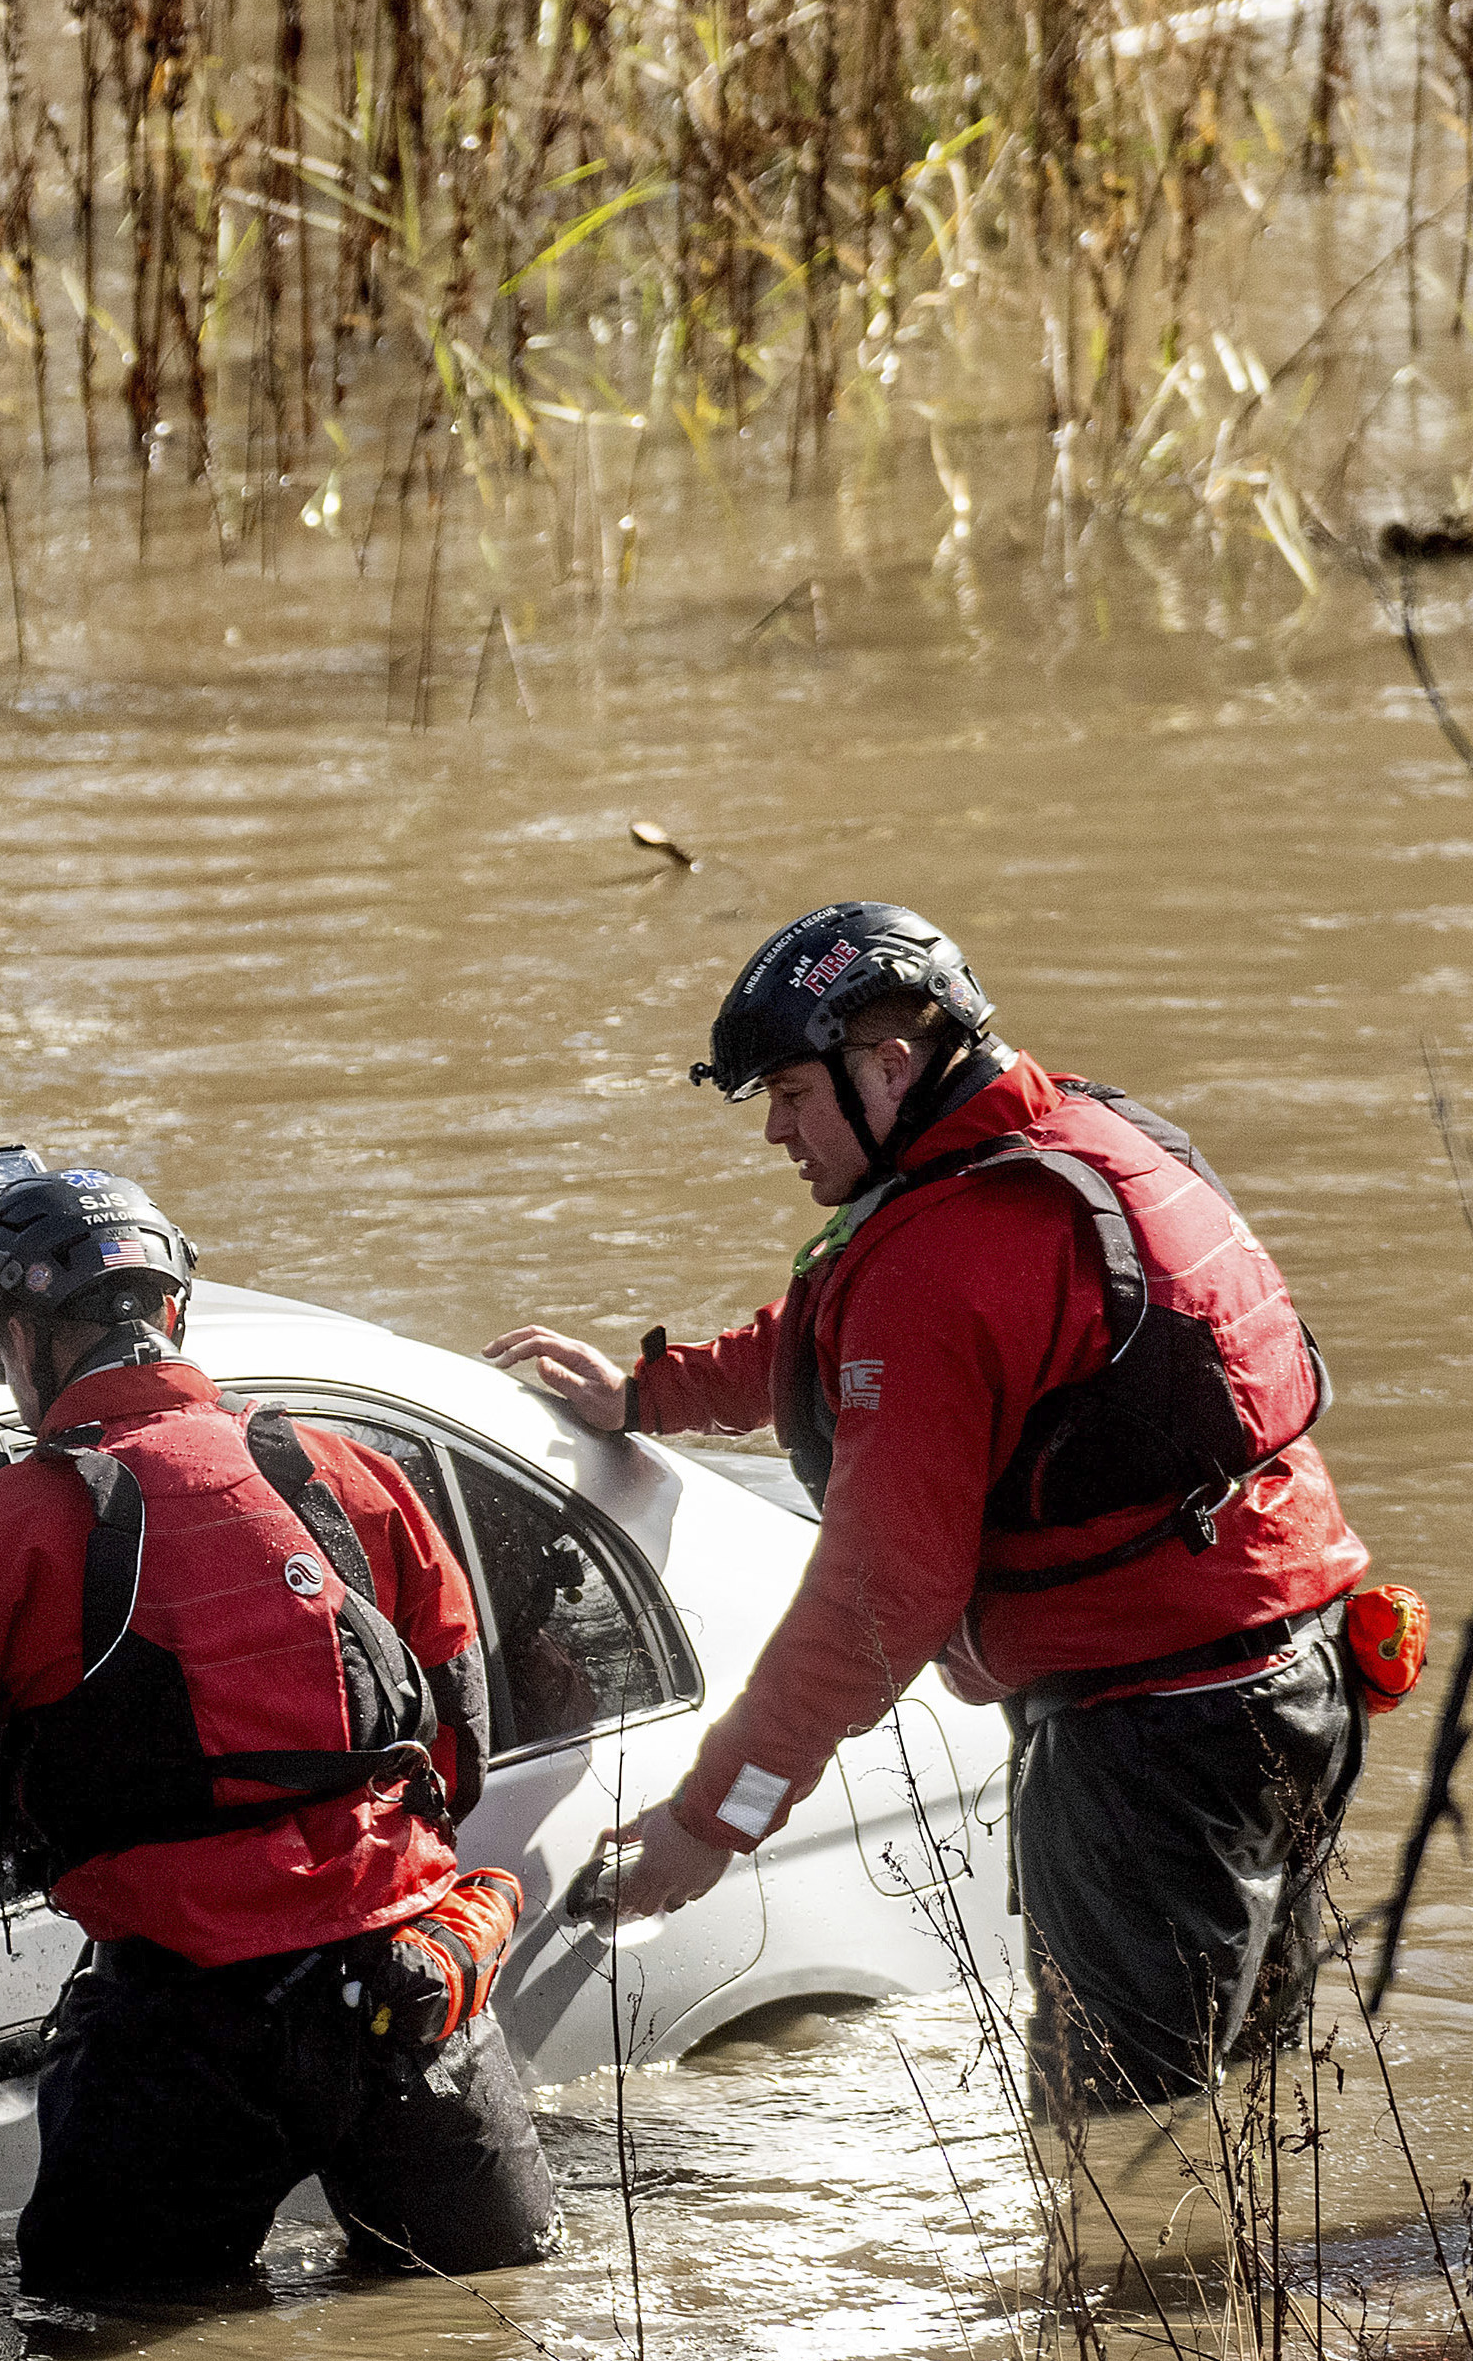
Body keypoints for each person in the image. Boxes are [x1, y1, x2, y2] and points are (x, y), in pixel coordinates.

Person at [486, 904, 1371, 2111]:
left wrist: (713, 1821)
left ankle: (1131, 2309)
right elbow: (855, 1335)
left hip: (1144, 1738)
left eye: (792, 1095)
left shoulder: (944, 1257)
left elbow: (879, 1599)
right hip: (1300, 1680)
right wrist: (657, 1390)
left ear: (888, 1068)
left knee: (1116, 2140)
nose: (777, 1135)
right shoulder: (1082, 1137)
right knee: (1252, 2115)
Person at [0, 1148, 562, 2297]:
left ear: (17, 1343)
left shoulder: (11, 1525)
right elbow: (458, 1741)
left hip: (185, 2040)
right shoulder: (343, 1470)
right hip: (410, 1994)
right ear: (176, 1309)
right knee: (496, 2338)